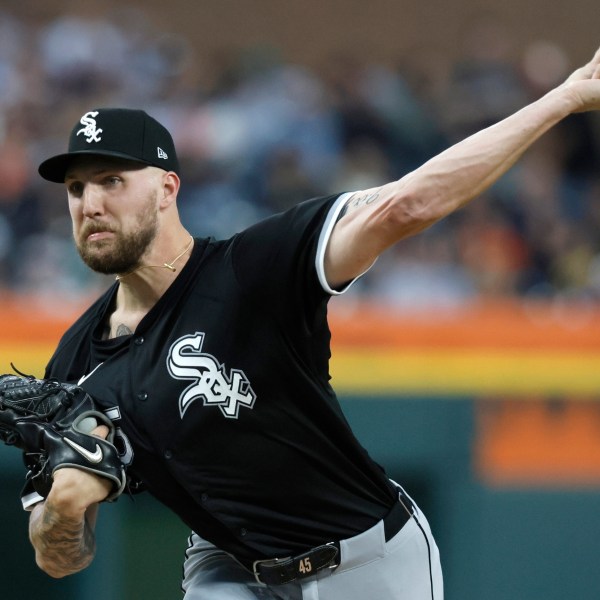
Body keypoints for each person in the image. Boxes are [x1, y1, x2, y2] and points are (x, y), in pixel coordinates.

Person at [24, 45, 600, 600]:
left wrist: (563, 99)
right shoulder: (72, 368)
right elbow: (57, 560)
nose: (89, 203)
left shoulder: (252, 268)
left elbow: (405, 206)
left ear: (168, 188)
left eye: (111, 180)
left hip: (368, 558)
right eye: (76, 188)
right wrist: (65, 508)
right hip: (228, 568)